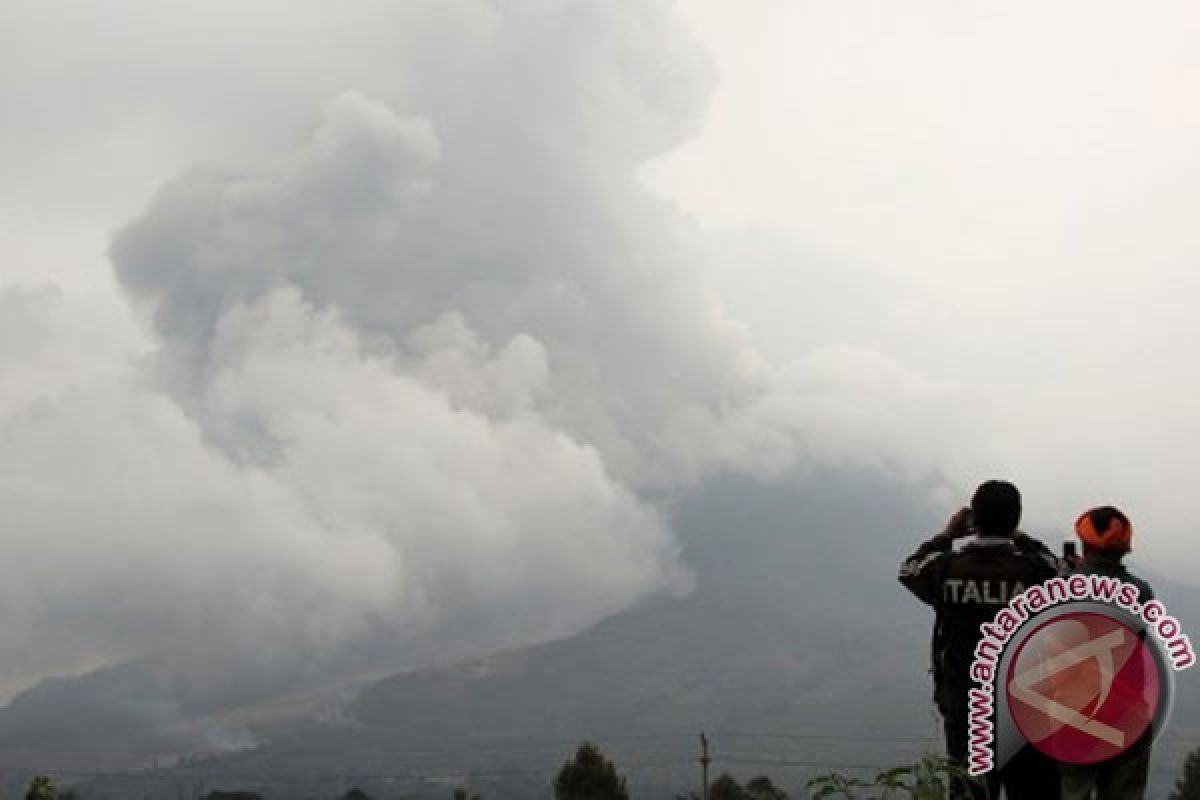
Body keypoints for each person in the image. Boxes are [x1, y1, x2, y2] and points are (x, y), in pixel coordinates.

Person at [899, 480, 1062, 799]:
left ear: (973, 520)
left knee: (969, 792)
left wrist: (946, 536)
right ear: (1016, 520)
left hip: (966, 707)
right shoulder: (1032, 573)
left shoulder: (947, 569)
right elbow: (1062, 571)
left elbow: (909, 570)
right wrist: (1023, 538)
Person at [1059, 506, 1155, 800]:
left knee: (1073, 791)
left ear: (1084, 544)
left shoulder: (1064, 588)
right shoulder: (1141, 592)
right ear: (1124, 549)